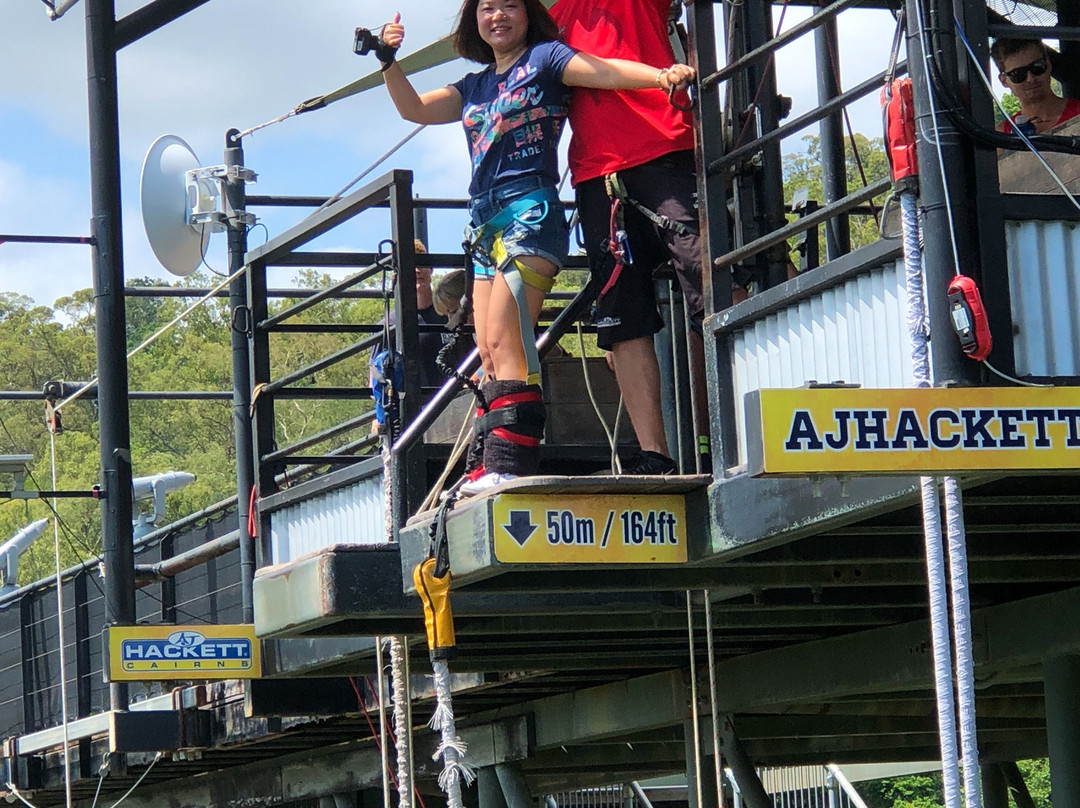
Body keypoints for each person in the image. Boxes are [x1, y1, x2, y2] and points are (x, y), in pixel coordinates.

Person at [373, 0, 694, 492]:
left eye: (508, 6)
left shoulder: (546, 58)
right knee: (485, 348)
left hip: (529, 211)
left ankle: (510, 462)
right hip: (483, 221)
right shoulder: (474, 85)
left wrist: (661, 76)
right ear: (473, 22)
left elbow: (605, 72)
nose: (497, 16)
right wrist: (387, 61)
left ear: (528, 14)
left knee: (507, 339)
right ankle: (492, 458)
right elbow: (412, 108)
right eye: (486, 8)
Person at [550, 0, 729, 476]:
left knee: (712, 289)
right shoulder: (543, 11)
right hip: (596, 172)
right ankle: (656, 455)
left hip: (667, 146)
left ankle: (738, 432)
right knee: (622, 316)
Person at [992, 38, 1080, 134]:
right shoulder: (1002, 134)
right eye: (1018, 74)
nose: (1030, 79)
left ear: (1048, 64)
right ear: (1004, 81)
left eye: (1037, 67)